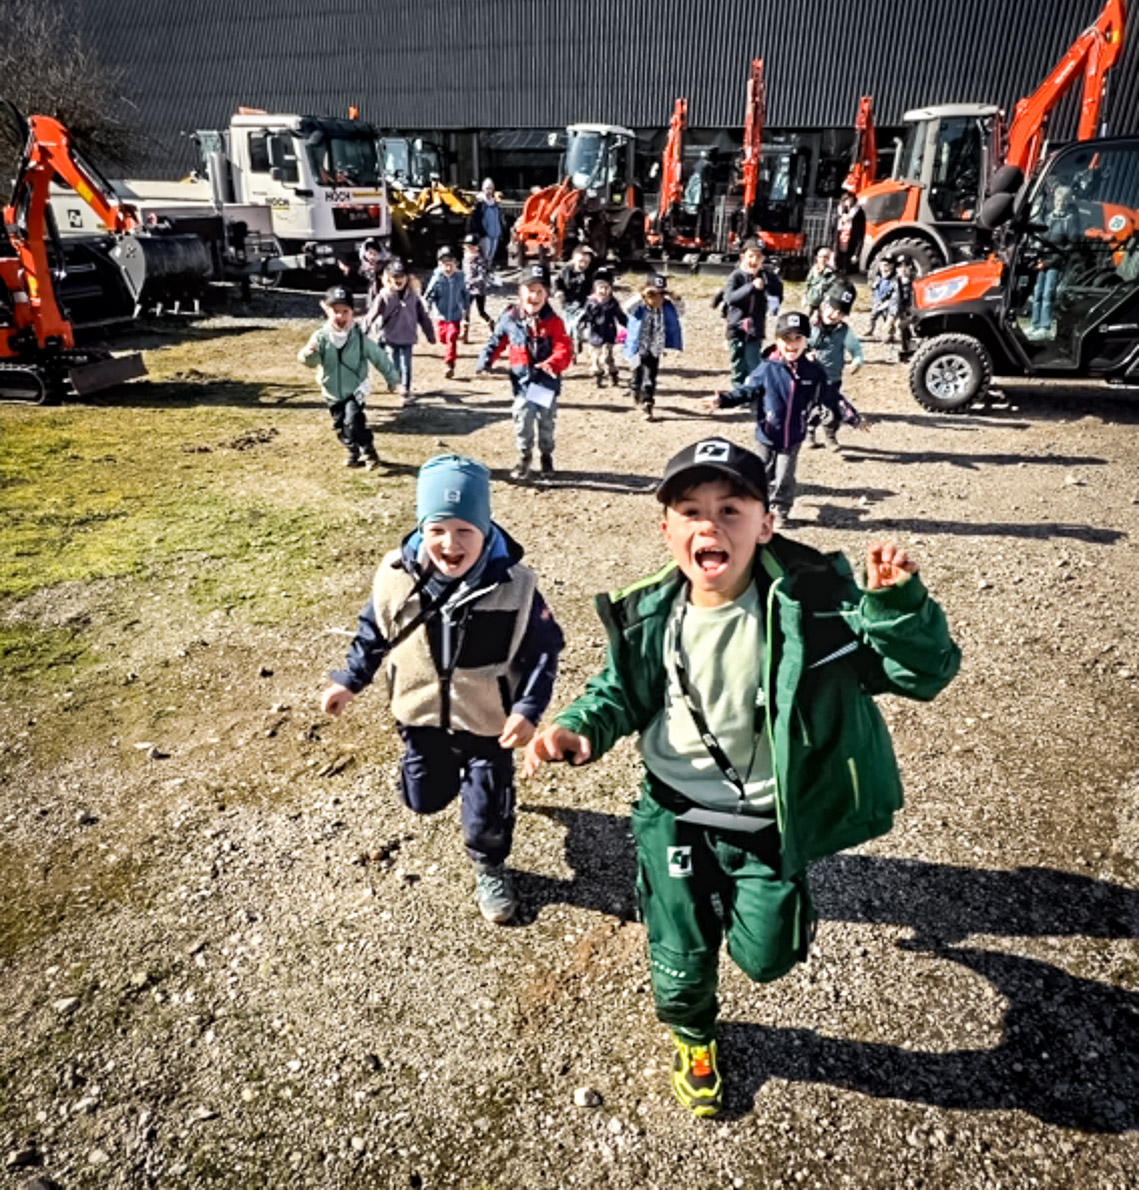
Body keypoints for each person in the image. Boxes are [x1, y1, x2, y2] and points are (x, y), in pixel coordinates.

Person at [515, 436, 960, 1117]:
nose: (708, 526)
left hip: (765, 823)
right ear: (665, 527)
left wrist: (895, 610)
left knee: (767, 957)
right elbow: (617, 692)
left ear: (765, 523)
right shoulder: (650, 616)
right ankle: (693, 1034)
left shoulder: (814, 607)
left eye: (730, 509)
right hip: (674, 813)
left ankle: (771, 902)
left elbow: (921, 674)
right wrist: (577, 729)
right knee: (678, 949)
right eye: (689, 510)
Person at [321, 454, 564, 924]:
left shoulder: (516, 587)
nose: (449, 544)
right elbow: (372, 634)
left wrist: (529, 709)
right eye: (437, 529)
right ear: (421, 528)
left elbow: (544, 652)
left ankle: (490, 865)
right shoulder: (395, 576)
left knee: (486, 806)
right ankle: (434, 776)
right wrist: (349, 680)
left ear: (485, 527)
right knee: (423, 800)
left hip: (488, 723)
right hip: (419, 716)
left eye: (464, 531)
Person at [705, 310, 864, 527]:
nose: (792, 344)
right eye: (786, 339)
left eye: (798, 338)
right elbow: (747, 390)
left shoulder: (813, 372)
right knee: (759, 472)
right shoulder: (767, 369)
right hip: (767, 433)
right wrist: (723, 400)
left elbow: (831, 396)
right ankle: (755, 506)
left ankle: (780, 509)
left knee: (784, 476)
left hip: (793, 435)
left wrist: (852, 417)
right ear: (777, 341)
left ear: (806, 341)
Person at [477, 265, 573, 481]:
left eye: (540, 291)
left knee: (546, 422)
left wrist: (553, 362)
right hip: (522, 382)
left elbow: (564, 349)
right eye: (530, 290)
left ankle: (546, 455)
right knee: (522, 418)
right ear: (520, 292)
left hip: (545, 383)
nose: (534, 296)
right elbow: (496, 341)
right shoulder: (511, 317)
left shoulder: (554, 321)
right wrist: (485, 361)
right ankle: (524, 456)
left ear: (547, 294)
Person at [298, 285, 398, 468]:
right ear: (327, 311)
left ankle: (368, 450)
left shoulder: (359, 338)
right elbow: (311, 362)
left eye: (345, 311)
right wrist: (308, 354)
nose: (341, 316)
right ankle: (352, 451)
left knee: (354, 421)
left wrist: (391, 378)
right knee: (340, 426)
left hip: (355, 388)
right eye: (336, 311)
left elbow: (378, 356)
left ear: (352, 312)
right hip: (331, 390)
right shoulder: (320, 337)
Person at [362, 258, 435, 406]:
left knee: (406, 364)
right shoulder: (383, 296)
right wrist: (363, 330)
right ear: (388, 278)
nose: (398, 280)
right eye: (395, 277)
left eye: (401, 276)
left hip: (408, 336)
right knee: (393, 363)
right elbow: (372, 314)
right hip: (391, 336)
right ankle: (396, 383)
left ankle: (405, 390)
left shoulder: (413, 296)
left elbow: (423, 316)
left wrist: (430, 334)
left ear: (407, 277)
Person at [712, 241, 778, 386]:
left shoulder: (767, 277)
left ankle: (752, 391)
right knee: (738, 362)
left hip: (755, 327)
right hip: (736, 326)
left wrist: (770, 288)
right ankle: (738, 390)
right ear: (743, 257)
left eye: (758, 257)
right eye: (751, 256)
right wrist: (750, 287)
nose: (754, 260)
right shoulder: (736, 276)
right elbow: (729, 298)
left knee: (753, 361)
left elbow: (777, 295)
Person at [807, 281, 863, 449]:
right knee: (812, 407)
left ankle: (830, 435)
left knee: (832, 407)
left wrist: (857, 360)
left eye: (840, 313)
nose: (834, 314)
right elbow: (799, 344)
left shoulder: (844, 331)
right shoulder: (810, 326)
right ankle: (809, 431)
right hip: (811, 377)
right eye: (832, 308)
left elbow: (855, 348)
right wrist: (805, 354)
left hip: (832, 376)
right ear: (824, 305)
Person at [624, 272, 683, 421]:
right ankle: (635, 388)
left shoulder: (667, 307)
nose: (657, 298)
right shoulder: (639, 307)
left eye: (661, 294)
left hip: (655, 346)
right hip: (637, 346)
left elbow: (681, 311)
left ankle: (647, 403)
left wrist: (674, 298)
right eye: (653, 294)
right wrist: (641, 295)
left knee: (650, 375)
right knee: (637, 372)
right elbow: (626, 308)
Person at [1029, 185, 1079, 338]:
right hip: (1042, 259)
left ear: (1068, 202)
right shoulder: (1049, 217)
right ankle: (1035, 324)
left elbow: (1072, 242)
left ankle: (1045, 326)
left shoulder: (1069, 220)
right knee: (1037, 293)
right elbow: (1042, 237)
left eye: (1064, 200)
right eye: (1058, 200)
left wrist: (1058, 257)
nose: (1060, 203)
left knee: (1048, 294)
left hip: (1055, 261)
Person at [577, 264, 627, 388]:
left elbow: (619, 315)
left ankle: (613, 373)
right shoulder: (591, 302)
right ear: (595, 288)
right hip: (595, 333)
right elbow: (584, 316)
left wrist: (627, 325)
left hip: (609, 333)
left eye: (606, 288)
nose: (603, 291)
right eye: (600, 288)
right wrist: (581, 327)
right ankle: (597, 377)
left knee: (607, 356)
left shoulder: (612, 302)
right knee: (595, 357)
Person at [424, 245, 469, 379]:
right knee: (443, 338)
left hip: (455, 315)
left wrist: (465, 310)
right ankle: (448, 351)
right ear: (440, 265)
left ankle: (449, 363)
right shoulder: (437, 278)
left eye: (451, 265)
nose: (448, 268)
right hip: (441, 315)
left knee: (452, 337)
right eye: (445, 265)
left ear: (456, 264)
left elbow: (465, 294)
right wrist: (427, 305)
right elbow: (429, 294)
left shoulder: (460, 277)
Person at [554, 243, 596, 352]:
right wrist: (559, 291)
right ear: (573, 259)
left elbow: (595, 285)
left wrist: (594, 294)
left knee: (580, 324)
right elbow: (557, 282)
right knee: (568, 326)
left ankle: (578, 340)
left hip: (583, 302)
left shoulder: (591, 272)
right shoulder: (566, 270)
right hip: (568, 302)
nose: (583, 264)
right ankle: (570, 345)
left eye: (586, 262)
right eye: (580, 261)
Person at [461, 233, 495, 342]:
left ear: (477, 247)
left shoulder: (480, 259)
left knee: (481, 311)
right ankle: (464, 333)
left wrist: (473, 281)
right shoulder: (465, 258)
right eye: (468, 246)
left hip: (479, 289)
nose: (470, 249)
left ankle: (491, 326)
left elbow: (483, 275)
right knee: (465, 310)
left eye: (472, 247)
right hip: (467, 288)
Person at [468, 177, 505, 268]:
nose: (489, 191)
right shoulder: (479, 203)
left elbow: (498, 218)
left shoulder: (495, 203)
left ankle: (488, 273)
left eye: (491, 188)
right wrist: (481, 232)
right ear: (483, 189)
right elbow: (475, 219)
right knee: (485, 256)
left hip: (495, 234)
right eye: (487, 188)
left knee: (491, 256)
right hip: (485, 234)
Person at [886, 255, 916, 357]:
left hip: (911, 308)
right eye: (900, 266)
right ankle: (904, 348)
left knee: (907, 328)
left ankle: (908, 347)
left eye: (906, 266)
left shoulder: (915, 281)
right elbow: (889, 295)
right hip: (898, 308)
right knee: (900, 329)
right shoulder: (894, 281)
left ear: (910, 267)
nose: (903, 269)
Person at [867, 256, 896, 341]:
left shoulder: (892, 280)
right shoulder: (878, 278)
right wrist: (875, 299)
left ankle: (890, 334)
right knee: (873, 316)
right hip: (877, 301)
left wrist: (884, 300)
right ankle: (870, 330)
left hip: (887, 302)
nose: (884, 268)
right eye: (882, 266)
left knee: (887, 317)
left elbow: (891, 291)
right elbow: (874, 289)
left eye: (886, 265)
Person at [803, 246, 836, 316]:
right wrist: (804, 297)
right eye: (820, 257)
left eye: (825, 257)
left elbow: (832, 288)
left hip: (823, 302)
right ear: (817, 258)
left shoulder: (831, 272)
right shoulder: (813, 270)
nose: (823, 259)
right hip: (811, 299)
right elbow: (808, 284)